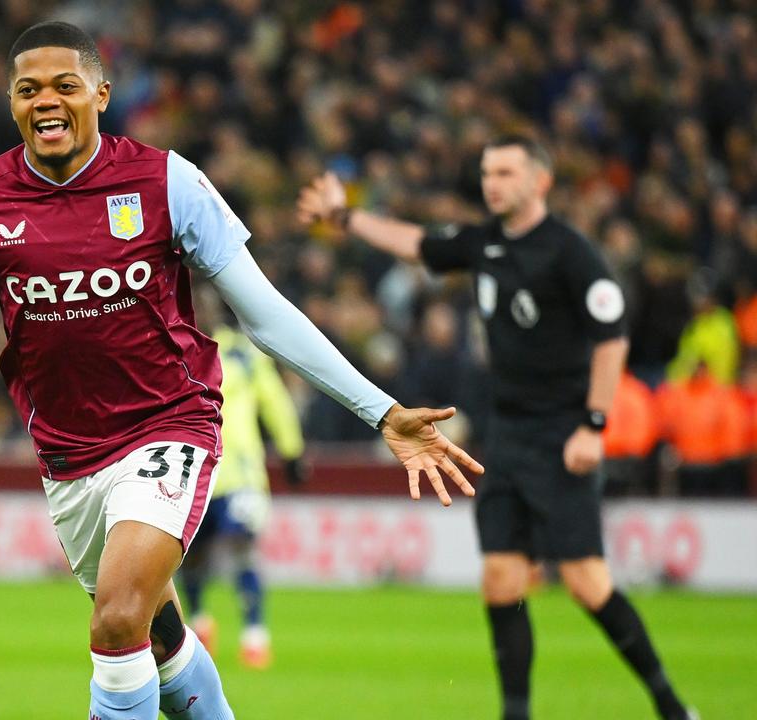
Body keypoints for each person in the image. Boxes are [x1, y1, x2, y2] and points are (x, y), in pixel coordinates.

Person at [0, 22, 480, 720]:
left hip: (170, 427)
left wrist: (381, 410)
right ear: (11, 102)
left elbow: (265, 313)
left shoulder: (168, 181)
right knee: (158, 635)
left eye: (66, 86)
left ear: (101, 92)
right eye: (28, 89)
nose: (47, 102)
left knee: (117, 620)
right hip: (68, 456)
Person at [297, 135, 695, 720]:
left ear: (540, 181)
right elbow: (417, 243)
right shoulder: (483, 243)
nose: (493, 182)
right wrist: (346, 216)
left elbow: (612, 337)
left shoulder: (568, 251)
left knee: (586, 582)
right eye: (487, 171)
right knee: (502, 581)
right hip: (506, 438)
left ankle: (671, 705)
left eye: (507, 172)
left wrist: (593, 424)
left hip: (561, 435)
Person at [178, 287, 305, 670]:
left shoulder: (243, 355)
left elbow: (275, 401)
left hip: (241, 474)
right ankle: (200, 621)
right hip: (191, 475)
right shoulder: (173, 350)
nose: (203, 309)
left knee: (241, 547)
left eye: (207, 304)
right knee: (190, 555)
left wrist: (292, 450)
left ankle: (254, 632)